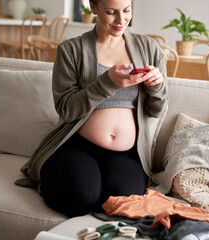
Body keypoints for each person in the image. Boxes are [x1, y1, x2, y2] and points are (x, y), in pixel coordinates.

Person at [15, 0, 168, 217]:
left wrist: (156, 86)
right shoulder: (70, 50)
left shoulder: (149, 49)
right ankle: (48, 180)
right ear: (93, 8)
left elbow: (157, 110)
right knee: (81, 199)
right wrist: (108, 82)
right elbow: (66, 109)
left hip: (126, 154)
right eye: (111, 12)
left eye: (126, 11)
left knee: (120, 203)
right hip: (77, 145)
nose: (121, 20)